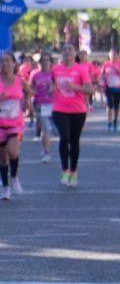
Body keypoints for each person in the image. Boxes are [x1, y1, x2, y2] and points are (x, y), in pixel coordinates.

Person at [0, 52, 33, 201]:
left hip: (16, 125)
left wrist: (27, 102)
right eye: (2, 61)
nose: (4, 64)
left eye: (7, 61)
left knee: (12, 151)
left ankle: (14, 177)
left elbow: (28, 92)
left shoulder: (20, 81)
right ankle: (5, 188)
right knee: (3, 159)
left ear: (13, 64)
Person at [51, 43, 95, 188]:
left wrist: (75, 87)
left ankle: (73, 171)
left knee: (74, 141)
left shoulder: (81, 69)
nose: (67, 52)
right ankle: (64, 170)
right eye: (64, 50)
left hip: (78, 110)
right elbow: (52, 84)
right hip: (59, 109)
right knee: (64, 137)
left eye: (70, 49)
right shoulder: (56, 69)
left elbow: (90, 90)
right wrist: (51, 88)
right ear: (62, 53)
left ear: (74, 53)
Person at [29, 54, 55, 162]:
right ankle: (47, 152)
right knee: (46, 129)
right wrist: (33, 96)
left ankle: (48, 147)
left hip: (55, 105)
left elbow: (59, 86)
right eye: (43, 61)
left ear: (51, 62)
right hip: (40, 104)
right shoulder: (35, 75)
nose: (45, 63)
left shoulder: (54, 74)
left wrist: (53, 88)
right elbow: (30, 89)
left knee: (57, 130)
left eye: (47, 60)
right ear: (40, 63)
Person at [102, 50, 120, 133]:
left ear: (117, 55)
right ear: (109, 56)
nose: (113, 57)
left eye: (114, 55)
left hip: (118, 88)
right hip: (108, 87)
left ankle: (115, 123)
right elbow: (102, 75)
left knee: (116, 107)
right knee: (110, 105)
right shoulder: (106, 64)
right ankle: (109, 123)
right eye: (111, 55)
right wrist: (101, 82)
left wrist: (117, 71)